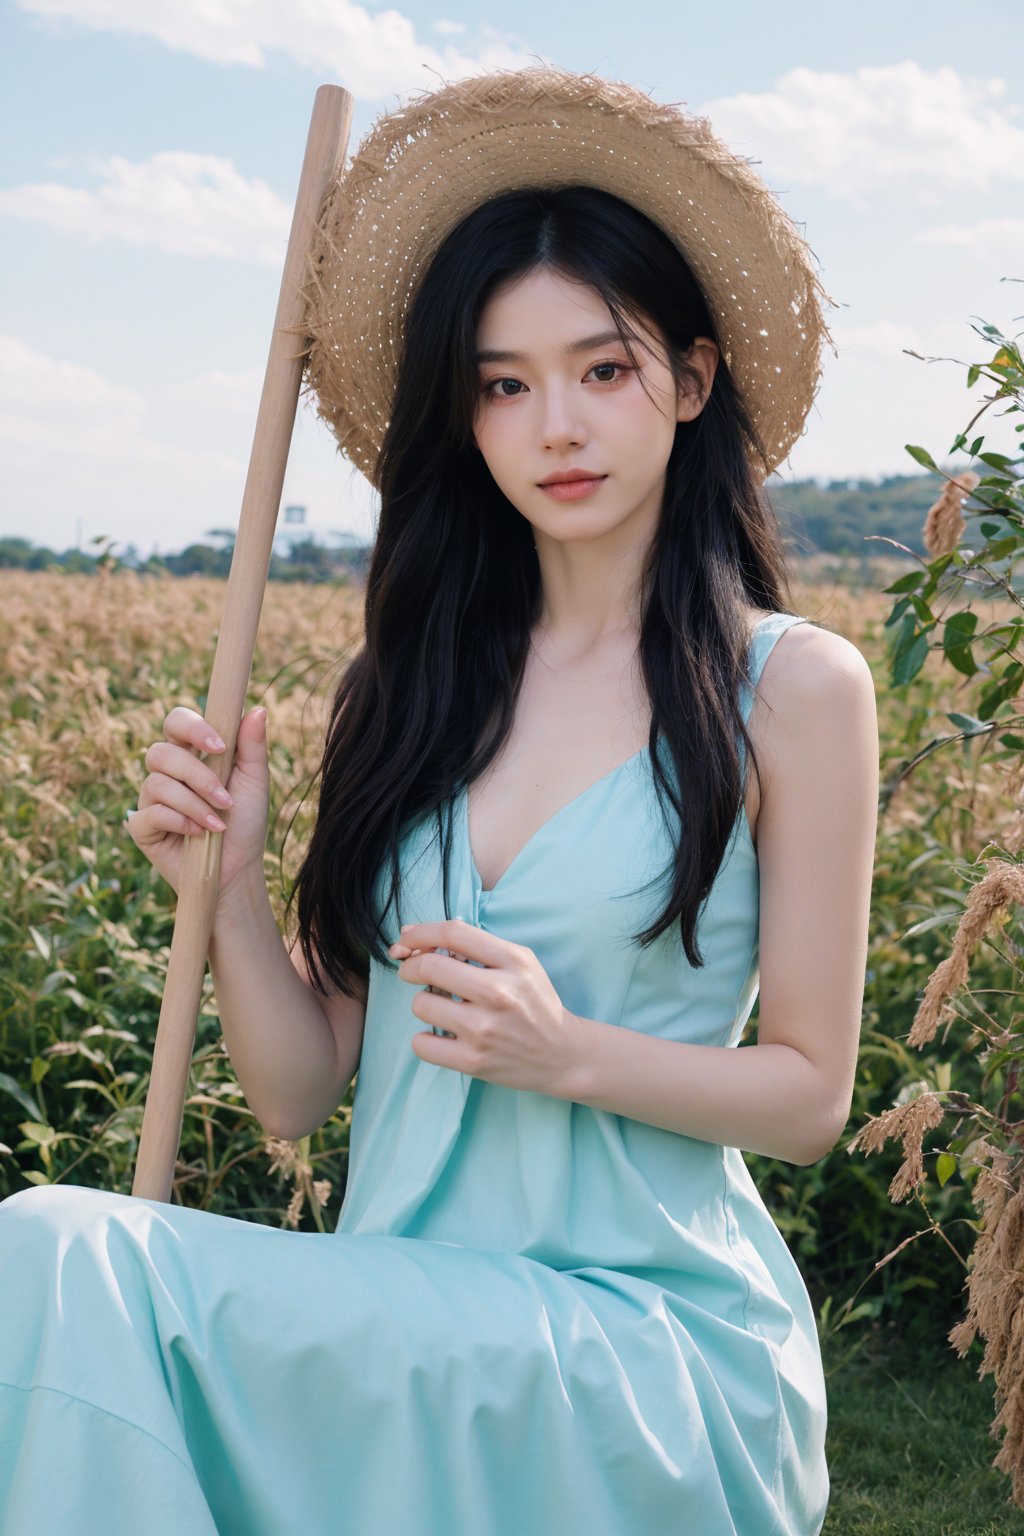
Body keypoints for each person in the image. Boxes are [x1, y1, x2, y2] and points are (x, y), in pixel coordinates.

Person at [0, 63, 879, 1535]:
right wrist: (224, 886)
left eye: (603, 368)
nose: (558, 427)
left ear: (695, 378)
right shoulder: (406, 690)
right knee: (56, 1273)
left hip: (643, 1342)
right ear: (465, 419)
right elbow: (299, 1092)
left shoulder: (792, 688)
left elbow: (810, 1098)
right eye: (503, 383)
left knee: (58, 1250)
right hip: (399, 1307)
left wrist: (565, 1052)